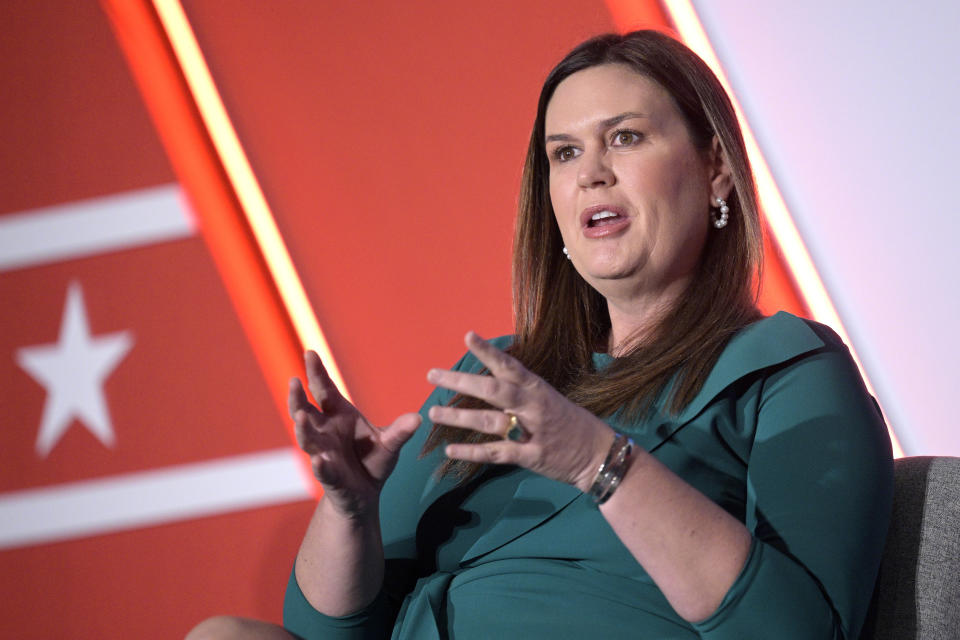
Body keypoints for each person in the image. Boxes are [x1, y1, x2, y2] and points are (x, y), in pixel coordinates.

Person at [187, 30, 893, 640]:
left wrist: (597, 461)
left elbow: (800, 630)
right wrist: (350, 511)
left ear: (715, 170)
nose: (591, 173)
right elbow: (320, 632)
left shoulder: (787, 372)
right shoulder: (503, 377)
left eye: (625, 137)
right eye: (563, 154)